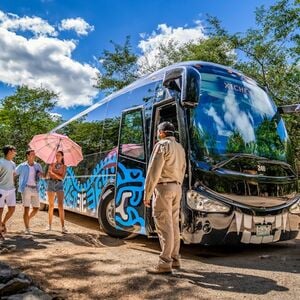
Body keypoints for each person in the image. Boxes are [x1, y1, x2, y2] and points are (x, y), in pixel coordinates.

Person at [143, 122, 186, 274]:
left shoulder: (162, 145)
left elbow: (154, 171)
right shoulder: (180, 148)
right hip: (177, 187)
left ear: (161, 132)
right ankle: (175, 259)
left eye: (158, 132)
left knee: (163, 224)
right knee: (174, 224)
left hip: (163, 188)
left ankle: (164, 263)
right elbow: (183, 169)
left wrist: (147, 193)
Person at [15, 149, 43, 234]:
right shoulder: (22, 166)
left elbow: (42, 176)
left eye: (34, 154)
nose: (34, 155)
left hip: (35, 188)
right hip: (26, 188)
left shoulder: (38, 165)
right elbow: (14, 173)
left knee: (36, 208)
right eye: (32, 154)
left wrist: (41, 175)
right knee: (26, 209)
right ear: (27, 155)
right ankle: (27, 228)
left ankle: (26, 220)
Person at [46, 151, 67, 233]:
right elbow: (49, 175)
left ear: (62, 156)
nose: (57, 156)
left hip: (59, 184)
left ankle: (63, 227)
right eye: (56, 155)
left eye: (59, 155)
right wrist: (55, 174)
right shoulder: (51, 164)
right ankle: (49, 225)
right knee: (51, 205)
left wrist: (53, 173)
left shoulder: (64, 166)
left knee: (60, 206)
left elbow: (62, 178)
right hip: (51, 183)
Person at [0, 145, 17, 240]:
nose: (15, 152)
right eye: (14, 151)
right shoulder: (1, 162)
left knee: (12, 209)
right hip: (1, 189)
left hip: (11, 189)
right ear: (10, 151)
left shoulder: (13, 163)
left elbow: (13, 175)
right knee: (0, 210)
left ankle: (3, 223)